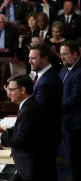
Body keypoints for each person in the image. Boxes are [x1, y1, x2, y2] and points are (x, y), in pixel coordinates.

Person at [0, 74, 46, 180]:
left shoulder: (28, 110)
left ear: (22, 90)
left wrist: (0, 135)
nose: (9, 93)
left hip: (29, 163)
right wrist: (3, 130)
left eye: (11, 90)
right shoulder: (28, 105)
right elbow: (21, 129)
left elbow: (19, 141)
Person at [28, 44, 62, 181]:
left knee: (45, 173)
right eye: (29, 58)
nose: (29, 61)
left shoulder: (47, 80)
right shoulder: (44, 76)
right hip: (45, 134)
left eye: (33, 58)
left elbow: (37, 110)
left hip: (45, 136)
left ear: (45, 59)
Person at [59, 40, 81, 181]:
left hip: (76, 124)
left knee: (76, 160)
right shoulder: (64, 69)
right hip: (65, 122)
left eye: (64, 54)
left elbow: (76, 98)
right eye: (60, 54)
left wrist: (55, 108)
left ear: (75, 53)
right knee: (69, 157)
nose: (62, 58)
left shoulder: (79, 72)